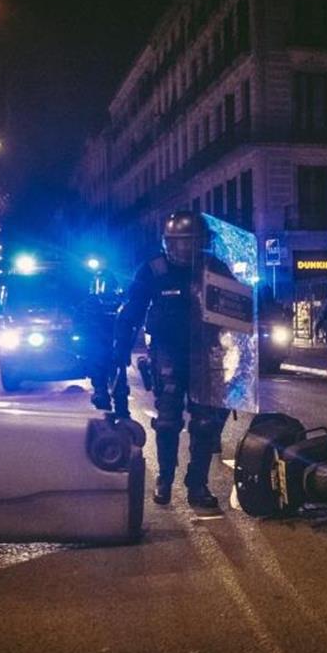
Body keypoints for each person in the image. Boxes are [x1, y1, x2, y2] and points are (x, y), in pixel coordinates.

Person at [113, 211, 236, 509]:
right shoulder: (153, 271)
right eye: (179, 242)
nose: (185, 248)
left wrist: (244, 342)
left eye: (190, 242)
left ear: (201, 242)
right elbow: (133, 311)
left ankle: (197, 485)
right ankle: (164, 479)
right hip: (168, 352)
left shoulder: (214, 267)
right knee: (167, 421)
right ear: (169, 243)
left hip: (205, 353)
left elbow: (237, 307)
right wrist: (120, 350)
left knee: (205, 423)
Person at [78, 271, 128, 413]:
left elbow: (130, 320)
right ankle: (106, 409)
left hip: (115, 344)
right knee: (100, 381)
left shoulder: (121, 303)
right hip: (98, 345)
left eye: (108, 284)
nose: (104, 287)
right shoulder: (89, 303)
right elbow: (78, 322)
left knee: (119, 382)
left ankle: (121, 411)